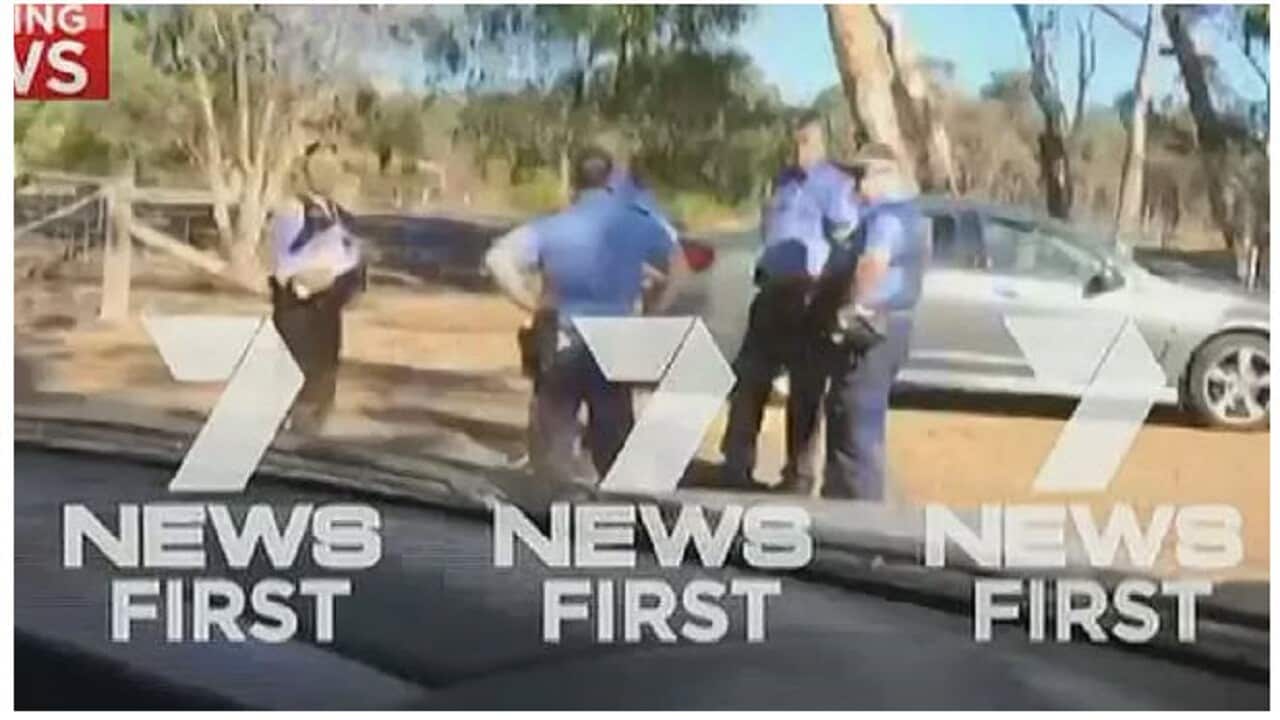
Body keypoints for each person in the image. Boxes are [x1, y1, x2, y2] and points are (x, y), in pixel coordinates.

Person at [485, 147, 688, 484]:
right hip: (615, 339)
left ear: (575, 183)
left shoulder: (552, 226)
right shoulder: (640, 222)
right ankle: (618, 518)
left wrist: (533, 303)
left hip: (562, 336)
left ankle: (548, 514)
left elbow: (497, 259)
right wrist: (653, 310)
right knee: (615, 440)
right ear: (611, 181)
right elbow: (680, 269)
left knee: (553, 438)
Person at [719, 112, 859, 493]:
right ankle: (736, 464)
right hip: (771, 292)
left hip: (809, 297)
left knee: (805, 389)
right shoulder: (782, 182)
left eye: (807, 142)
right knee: (749, 379)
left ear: (822, 143)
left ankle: (799, 475)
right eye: (795, 142)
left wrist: (832, 292)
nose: (799, 150)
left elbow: (847, 241)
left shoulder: (835, 186)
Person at [814, 142, 927, 501]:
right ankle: (845, 510)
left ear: (886, 175)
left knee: (855, 426)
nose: (856, 187)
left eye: (861, 177)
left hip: (873, 328)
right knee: (854, 419)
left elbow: (873, 264)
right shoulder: (912, 215)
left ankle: (859, 523)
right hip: (893, 327)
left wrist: (851, 308)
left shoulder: (887, 217)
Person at [269, 141, 364, 434]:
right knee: (300, 396)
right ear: (306, 170)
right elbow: (286, 272)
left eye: (333, 167)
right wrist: (327, 276)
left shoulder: (339, 214)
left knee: (323, 392)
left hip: (328, 319)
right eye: (320, 166)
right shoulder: (291, 210)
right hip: (300, 320)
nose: (328, 173)